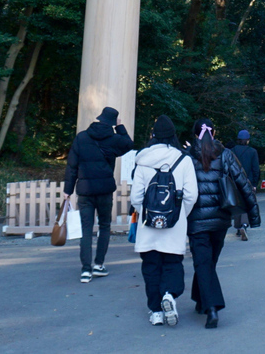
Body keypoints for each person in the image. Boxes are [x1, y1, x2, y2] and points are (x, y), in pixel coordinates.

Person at [187, 118, 260, 328]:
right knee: (208, 262)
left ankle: (211, 307)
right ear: (214, 132)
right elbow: (243, 183)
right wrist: (253, 215)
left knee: (203, 262)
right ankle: (202, 301)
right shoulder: (226, 154)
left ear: (195, 134)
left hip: (196, 220)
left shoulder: (187, 156)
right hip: (220, 218)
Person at [130, 115, 198, 326]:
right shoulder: (183, 160)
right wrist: (179, 215)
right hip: (174, 225)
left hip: (148, 225)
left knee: (151, 266)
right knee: (172, 263)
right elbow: (191, 195)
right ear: (173, 136)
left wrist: (148, 214)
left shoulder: (142, 161)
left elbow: (136, 197)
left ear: (153, 135)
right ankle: (169, 294)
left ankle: (156, 312)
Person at [64, 106, 134, 283]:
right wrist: (120, 127)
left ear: (100, 118)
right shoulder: (114, 139)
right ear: (112, 122)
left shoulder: (81, 137)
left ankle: (85, 270)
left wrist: (68, 190)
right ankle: (99, 264)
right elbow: (129, 144)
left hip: (85, 191)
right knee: (104, 226)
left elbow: (72, 166)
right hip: (104, 190)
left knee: (86, 229)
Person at [232, 129, 260, 240]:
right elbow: (255, 169)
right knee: (247, 203)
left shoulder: (232, 151)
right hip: (248, 181)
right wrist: (254, 183)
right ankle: (244, 224)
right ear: (247, 140)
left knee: (237, 203)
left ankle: (238, 227)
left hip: (234, 181)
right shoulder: (252, 152)